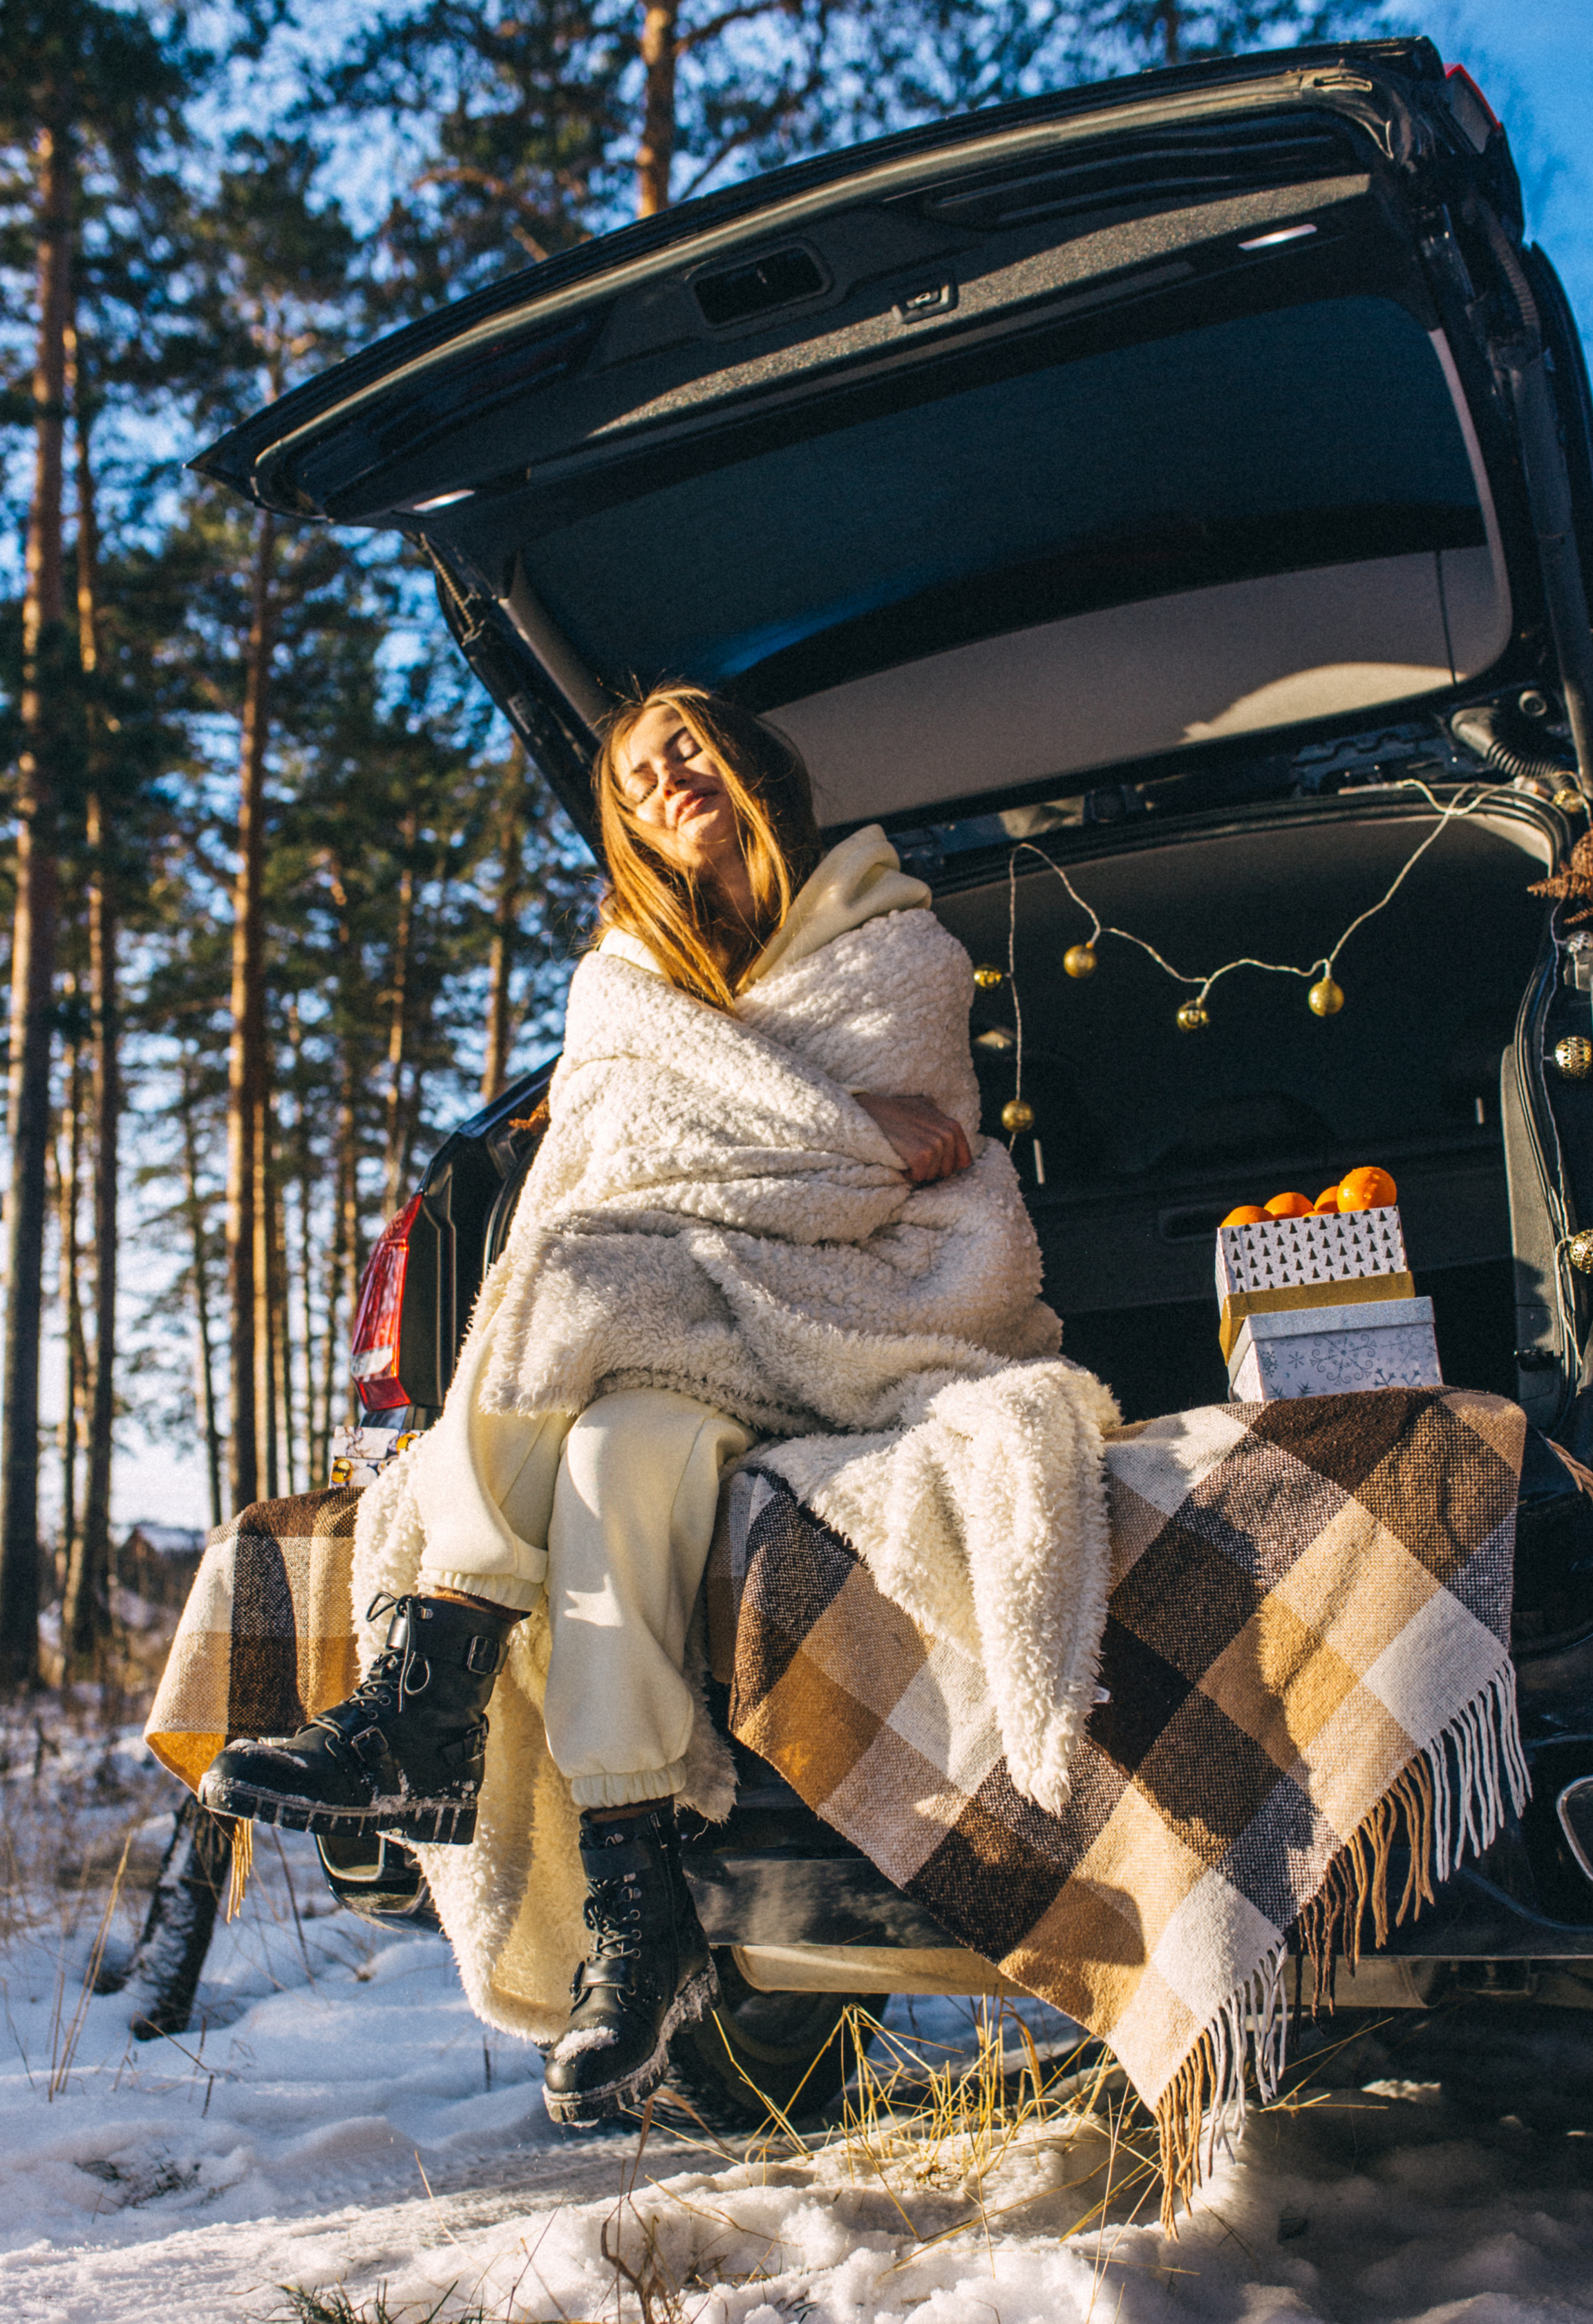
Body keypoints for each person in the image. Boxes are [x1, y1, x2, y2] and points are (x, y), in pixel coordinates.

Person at [202, 684, 1082, 2121]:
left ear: (746, 768)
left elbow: (885, 1177)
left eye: (685, 750)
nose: (666, 779)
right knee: (610, 1444)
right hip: (661, 1334)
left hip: (844, 1311)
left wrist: (790, 1151)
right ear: (626, 823)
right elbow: (619, 1171)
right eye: (635, 775)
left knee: (565, 1281)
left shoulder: (892, 939)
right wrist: (835, 1132)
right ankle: (638, 1904)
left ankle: (427, 1695)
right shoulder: (627, 974)